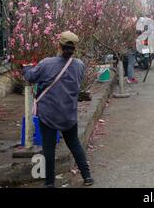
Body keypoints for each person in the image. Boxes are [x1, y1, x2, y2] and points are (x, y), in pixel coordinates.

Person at [22, 31, 94, 188]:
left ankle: (49, 183)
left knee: (48, 148)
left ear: (59, 45)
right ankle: (87, 176)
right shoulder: (80, 65)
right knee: (74, 144)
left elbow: (31, 77)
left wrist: (26, 68)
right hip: (68, 115)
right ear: (75, 48)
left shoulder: (47, 63)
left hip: (48, 114)